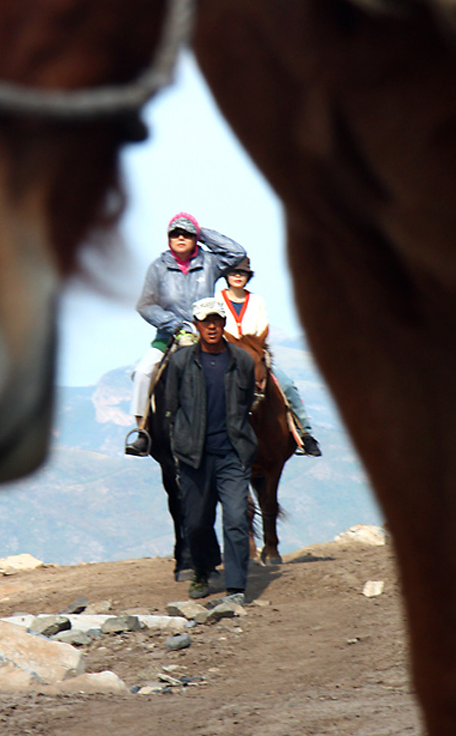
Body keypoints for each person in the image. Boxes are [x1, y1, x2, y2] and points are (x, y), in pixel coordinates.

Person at [126, 213, 246, 456]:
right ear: (168, 238)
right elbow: (145, 304)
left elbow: (237, 254)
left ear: (195, 238)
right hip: (168, 335)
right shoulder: (158, 267)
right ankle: (142, 431)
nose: (181, 238)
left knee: (242, 368)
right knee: (143, 372)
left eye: (187, 234)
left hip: (208, 334)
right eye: (175, 234)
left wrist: (203, 232)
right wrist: (174, 325)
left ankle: (242, 426)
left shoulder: (211, 262)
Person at [165, 297, 258, 603]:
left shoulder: (242, 361)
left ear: (224, 323)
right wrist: (181, 445)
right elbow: (172, 406)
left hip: (232, 453)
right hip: (195, 457)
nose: (212, 326)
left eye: (216, 320)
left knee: (235, 519)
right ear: (196, 325)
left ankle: (235, 587)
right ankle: (203, 570)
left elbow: (244, 405)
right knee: (196, 522)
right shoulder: (180, 362)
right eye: (206, 321)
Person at [217, 257, 322, 457]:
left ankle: (304, 434)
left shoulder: (256, 301)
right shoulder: (218, 300)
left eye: (242, 273)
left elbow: (261, 327)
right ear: (226, 276)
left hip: (256, 354)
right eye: (233, 272)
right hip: (227, 357)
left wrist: (251, 346)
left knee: (287, 385)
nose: (238, 276)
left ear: (248, 276)